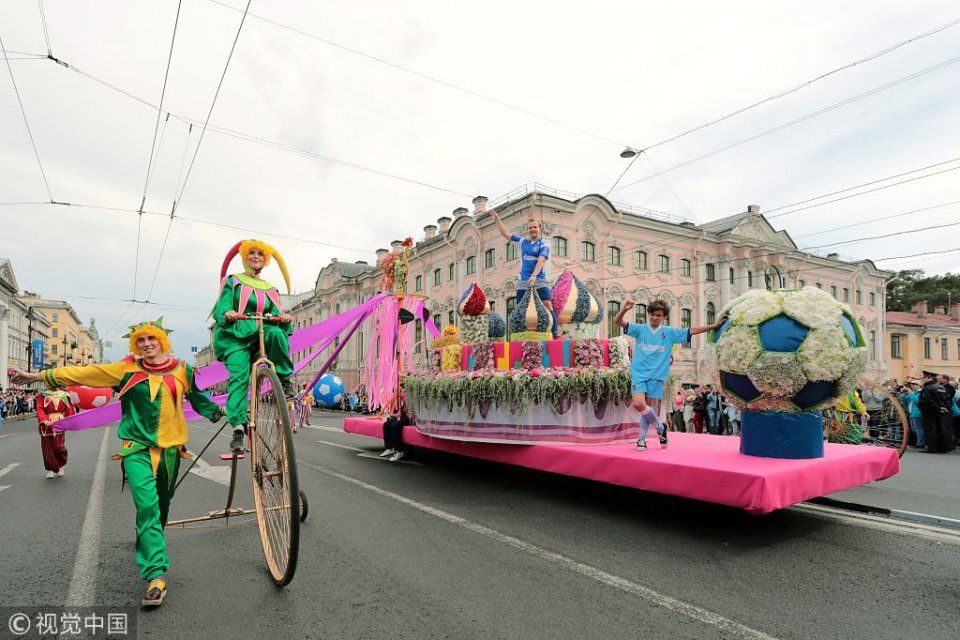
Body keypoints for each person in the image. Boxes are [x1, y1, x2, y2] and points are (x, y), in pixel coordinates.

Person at [9, 319, 225, 606]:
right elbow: (82, 371)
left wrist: (224, 414)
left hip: (171, 451)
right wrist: (35, 375)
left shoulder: (182, 370)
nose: (147, 344)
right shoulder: (124, 371)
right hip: (136, 449)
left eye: (152, 339)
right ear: (135, 345)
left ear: (162, 341)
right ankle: (156, 575)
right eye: (141, 340)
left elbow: (198, 400)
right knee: (147, 506)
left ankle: (148, 541)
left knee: (161, 507)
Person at [213, 239, 295, 452]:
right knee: (239, 376)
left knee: (277, 333)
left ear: (265, 259)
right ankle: (238, 426)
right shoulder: (233, 281)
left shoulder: (269, 288)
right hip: (236, 334)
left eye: (261, 254)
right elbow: (222, 306)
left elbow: (275, 311)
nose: (256, 256)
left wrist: (283, 316)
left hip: (261, 331)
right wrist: (227, 313)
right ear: (244, 256)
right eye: (252, 253)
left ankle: (285, 379)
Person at [614, 299, 724, 450]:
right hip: (639, 373)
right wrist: (624, 309)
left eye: (659, 315)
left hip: (657, 375)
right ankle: (660, 428)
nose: (655, 318)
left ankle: (641, 440)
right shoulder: (640, 329)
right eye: (653, 314)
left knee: (647, 408)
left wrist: (714, 326)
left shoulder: (670, 333)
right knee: (639, 404)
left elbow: (692, 330)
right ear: (649, 315)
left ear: (663, 317)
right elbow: (617, 320)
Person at [490, 210, 559, 338]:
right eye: (530, 228)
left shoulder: (544, 245)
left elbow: (541, 261)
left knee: (547, 305)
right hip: (523, 282)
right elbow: (506, 233)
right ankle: (519, 333)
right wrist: (497, 219)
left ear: (540, 229)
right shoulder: (523, 242)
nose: (532, 229)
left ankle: (555, 333)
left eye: (535, 227)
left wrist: (534, 275)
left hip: (539, 280)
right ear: (528, 230)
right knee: (521, 308)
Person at [35, 388, 75, 478]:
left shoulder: (65, 395)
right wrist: (43, 420)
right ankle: (50, 469)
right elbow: (39, 408)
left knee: (58, 446)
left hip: (60, 422)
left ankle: (60, 466)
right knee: (47, 447)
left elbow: (69, 409)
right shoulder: (43, 395)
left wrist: (71, 421)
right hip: (47, 424)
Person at [918, 371, 954, 453]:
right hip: (940, 411)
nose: (923, 379)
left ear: (929, 378)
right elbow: (948, 400)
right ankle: (942, 447)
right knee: (940, 428)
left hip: (929, 411)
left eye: (924, 378)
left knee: (931, 430)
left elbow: (927, 400)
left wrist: (938, 408)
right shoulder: (942, 387)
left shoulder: (928, 388)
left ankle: (932, 448)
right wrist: (943, 408)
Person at [901, 381, 924, 448]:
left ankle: (920, 443)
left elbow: (918, 401)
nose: (912, 386)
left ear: (919, 385)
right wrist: (904, 394)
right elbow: (905, 401)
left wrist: (911, 394)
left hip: (917, 413)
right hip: (911, 412)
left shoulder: (920, 393)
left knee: (919, 429)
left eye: (914, 384)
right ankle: (918, 442)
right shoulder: (913, 393)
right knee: (914, 429)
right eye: (912, 385)